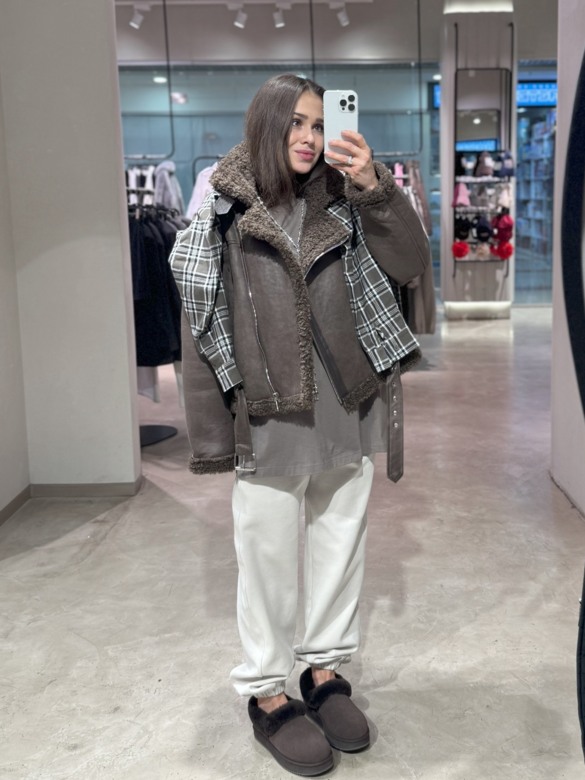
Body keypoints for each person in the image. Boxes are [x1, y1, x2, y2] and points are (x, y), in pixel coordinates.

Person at [169, 73, 430, 776]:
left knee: (340, 546)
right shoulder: (222, 213)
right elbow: (201, 330)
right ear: (267, 124)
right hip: (268, 413)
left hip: (348, 399)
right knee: (267, 562)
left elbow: (410, 265)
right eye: (297, 123)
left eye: (319, 123)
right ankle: (266, 691)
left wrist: (374, 187)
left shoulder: (347, 198)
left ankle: (323, 672)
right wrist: (214, 438)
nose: (311, 138)